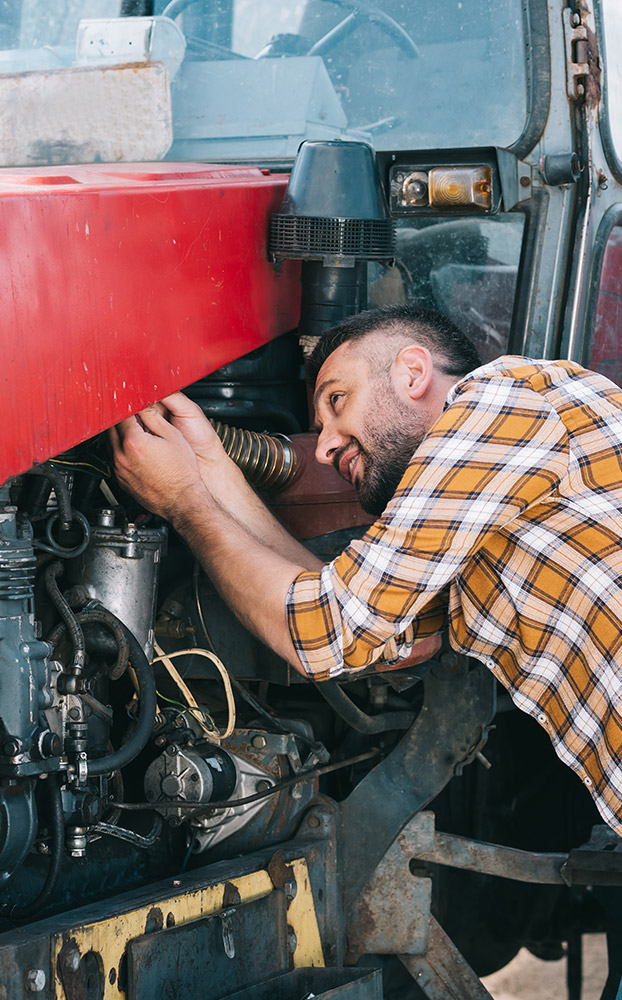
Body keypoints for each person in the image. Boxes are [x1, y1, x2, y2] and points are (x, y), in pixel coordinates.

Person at [111, 304, 622, 835]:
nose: (326, 447)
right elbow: (380, 634)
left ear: (412, 372)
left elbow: (328, 630)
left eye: (338, 399)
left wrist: (184, 503)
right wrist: (211, 468)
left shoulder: (501, 402)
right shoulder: (483, 517)